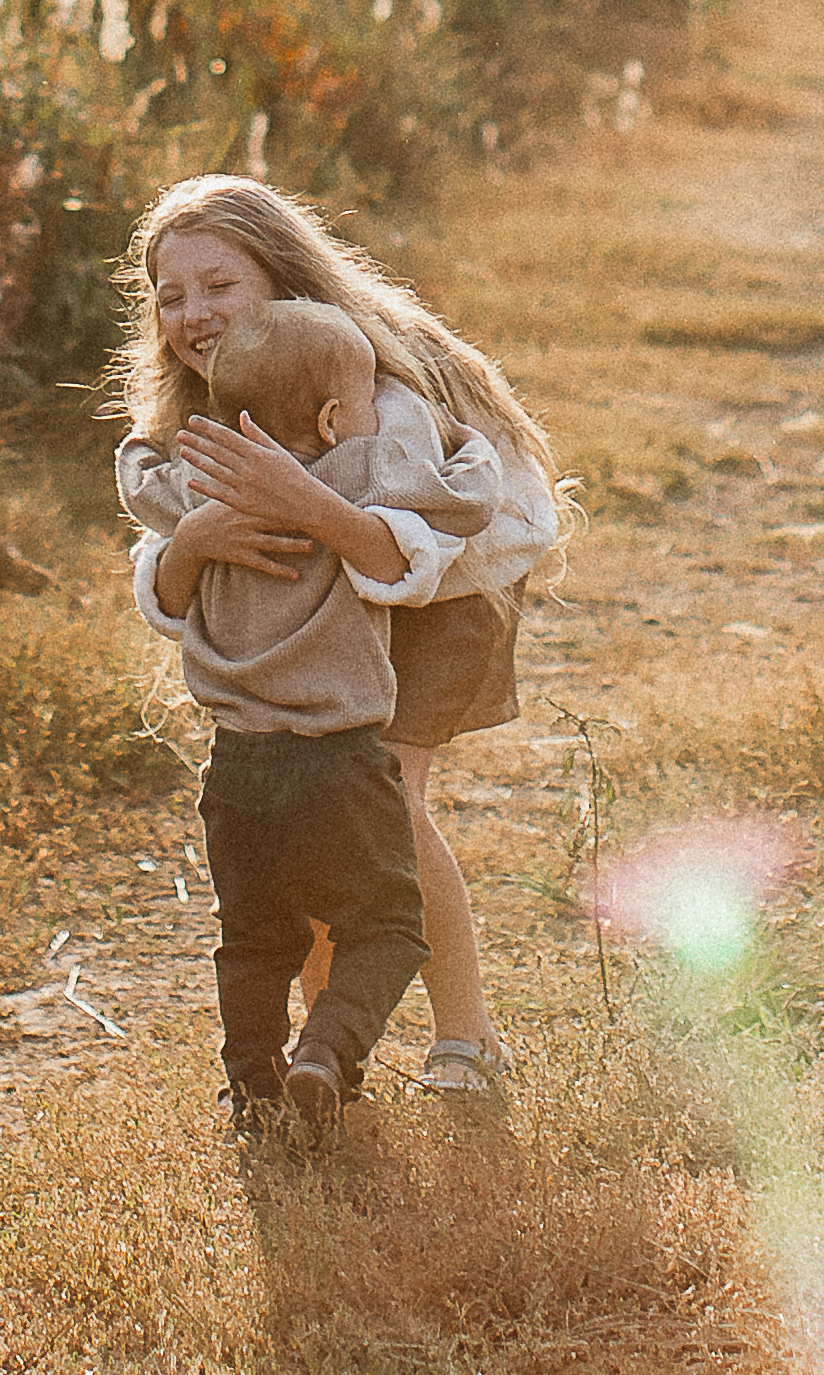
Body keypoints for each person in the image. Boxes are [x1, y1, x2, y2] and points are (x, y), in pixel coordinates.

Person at [112, 172, 561, 1118]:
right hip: (323, 591)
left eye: (221, 285)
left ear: (282, 276)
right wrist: (195, 541)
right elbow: (169, 530)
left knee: (381, 800)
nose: (195, 312)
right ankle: (329, 1056)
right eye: (172, 295)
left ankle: (465, 1042)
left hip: (447, 571)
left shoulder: (374, 388)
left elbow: (419, 534)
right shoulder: (200, 396)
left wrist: (307, 506)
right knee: (301, 810)